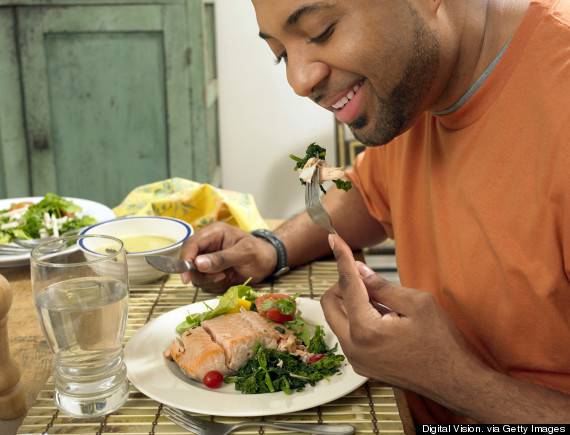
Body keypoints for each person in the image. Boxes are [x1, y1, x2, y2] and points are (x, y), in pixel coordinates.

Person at [179, 0, 570, 423]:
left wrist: (448, 377)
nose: (298, 80)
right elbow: (369, 194)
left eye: (322, 30)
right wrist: (270, 247)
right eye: (281, 56)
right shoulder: (416, 87)